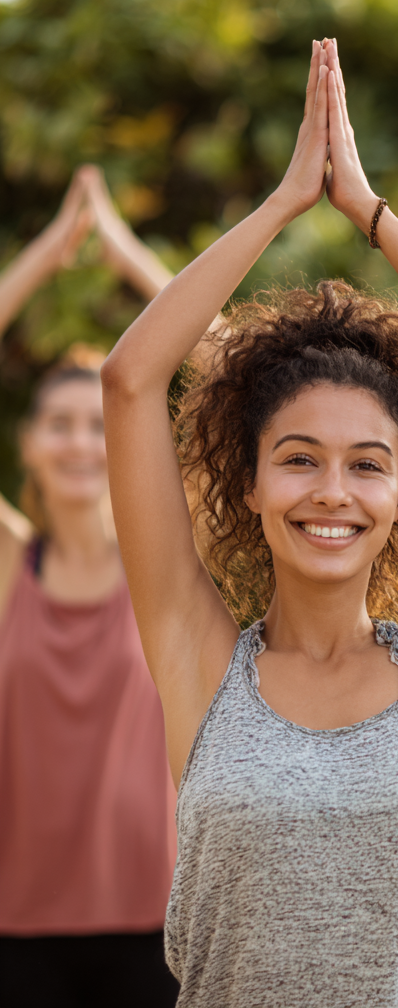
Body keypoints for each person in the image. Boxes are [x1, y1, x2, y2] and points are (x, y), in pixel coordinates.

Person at [100, 38, 398, 1008]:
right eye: (298, 458)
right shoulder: (199, 661)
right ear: (250, 482)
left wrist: (371, 215)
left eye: (367, 464)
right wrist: (280, 206)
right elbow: (130, 380)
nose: (332, 493)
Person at [0, 167, 181, 1006]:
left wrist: (129, 257)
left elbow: (240, 376)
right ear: (30, 446)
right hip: (18, 924)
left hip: (159, 924)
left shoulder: (165, 567)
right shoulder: (11, 568)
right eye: (59, 425)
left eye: (97, 425)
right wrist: (44, 255)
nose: (80, 443)